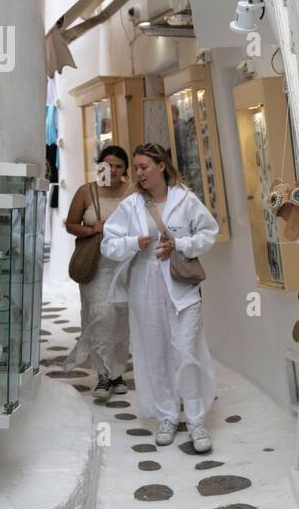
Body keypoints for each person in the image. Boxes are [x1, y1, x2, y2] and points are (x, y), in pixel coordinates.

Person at [101, 143, 219, 452]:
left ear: (161, 166)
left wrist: (179, 245)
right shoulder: (131, 206)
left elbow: (209, 232)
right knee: (154, 349)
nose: (138, 173)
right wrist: (131, 243)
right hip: (145, 282)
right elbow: (108, 244)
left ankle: (195, 419)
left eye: (143, 167)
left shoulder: (186, 199)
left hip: (181, 284)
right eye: (136, 168)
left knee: (186, 349)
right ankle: (166, 414)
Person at [65, 145, 132, 401]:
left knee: (120, 318)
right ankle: (103, 373)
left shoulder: (132, 192)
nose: (112, 170)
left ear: (125, 169)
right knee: (101, 314)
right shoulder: (87, 191)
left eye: (118, 166)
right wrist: (93, 229)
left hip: (125, 265)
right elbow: (71, 224)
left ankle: (117, 372)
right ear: (99, 166)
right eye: (107, 165)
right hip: (96, 265)